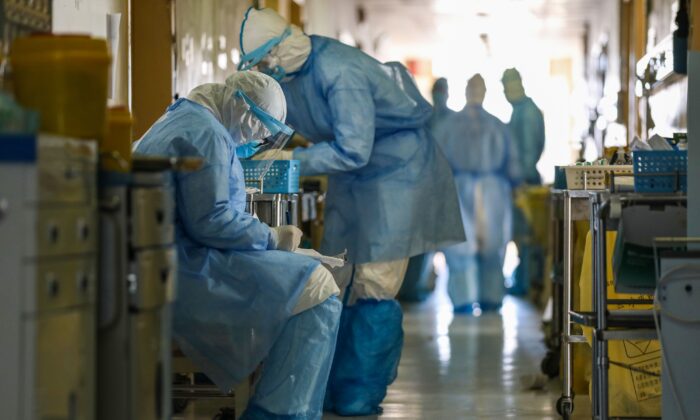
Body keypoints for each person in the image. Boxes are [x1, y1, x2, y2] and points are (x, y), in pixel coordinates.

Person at [235, 7, 464, 416]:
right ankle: (320, 389)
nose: (266, 71)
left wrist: (289, 163)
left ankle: (358, 391)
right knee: (335, 275)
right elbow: (290, 121)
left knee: (375, 283)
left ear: (279, 50)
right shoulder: (297, 73)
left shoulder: (340, 73)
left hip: (396, 174)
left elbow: (353, 149)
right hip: (354, 179)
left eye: (265, 63)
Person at [133, 71, 341, 420]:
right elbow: (211, 221)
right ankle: (278, 413)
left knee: (309, 281)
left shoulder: (184, 117)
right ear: (240, 106)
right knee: (317, 288)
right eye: (259, 126)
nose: (259, 137)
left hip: (171, 261)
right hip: (189, 270)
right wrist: (271, 237)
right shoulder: (207, 134)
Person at [435, 74, 522, 314]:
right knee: (490, 245)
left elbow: (436, 163)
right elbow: (513, 164)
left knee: (463, 246)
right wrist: (516, 185)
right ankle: (490, 297)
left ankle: (464, 299)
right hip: (492, 191)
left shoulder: (448, 126)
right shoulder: (497, 126)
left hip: (460, 189)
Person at [399, 77, 455, 302]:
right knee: (419, 242)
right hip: (421, 187)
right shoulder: (423, 117)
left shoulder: (453, 120)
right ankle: (413, 285)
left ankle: (430, 281)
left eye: (442, 91)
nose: (439, 95)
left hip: (445, 187)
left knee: (450, 244)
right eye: (437, 91)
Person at [501, 68, 545, 296]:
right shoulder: (519, 111)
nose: (506, 92)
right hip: (521, 181)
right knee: (521, 237)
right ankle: (523, 279)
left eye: (508, 86)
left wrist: (520, 182)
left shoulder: (526, 113)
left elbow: (527, 153)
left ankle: (526, 282)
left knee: (526, 237)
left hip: (525, 182)